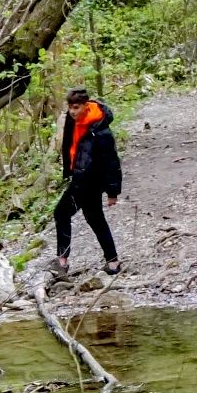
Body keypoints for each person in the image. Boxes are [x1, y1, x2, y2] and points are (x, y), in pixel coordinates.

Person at [53, 87, 122, 275]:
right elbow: (69, 146)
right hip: (79, 177)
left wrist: (112, 192)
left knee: (61, 213)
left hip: (90, 181)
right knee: (95, 219)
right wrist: (68, 170)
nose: (72, 111)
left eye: (76, 107)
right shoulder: (71, 121)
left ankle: (62, 261)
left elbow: (112, 161)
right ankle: (113, 261)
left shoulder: (100, 131)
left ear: (86, 105)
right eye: (70, 108)